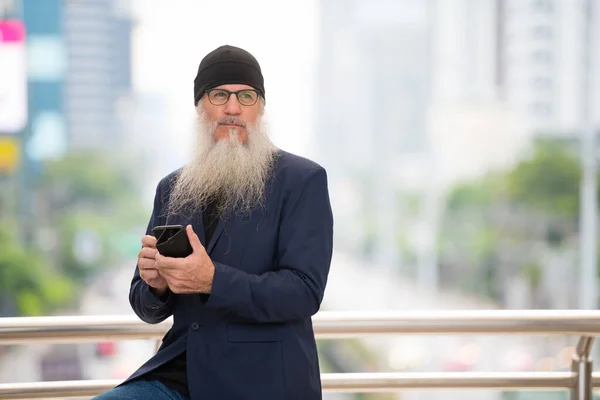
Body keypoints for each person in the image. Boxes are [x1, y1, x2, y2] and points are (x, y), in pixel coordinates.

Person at [92, 45, 334, 400]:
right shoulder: (173, 188)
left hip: (262, 380)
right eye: (219, 95)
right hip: (180, 374)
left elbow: (303, 292)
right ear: (200, 107)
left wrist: (212, 280)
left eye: (246, 96)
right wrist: (156, 284)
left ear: (260, 108)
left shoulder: (302, 180)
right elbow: (145, 306)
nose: (233, 108)